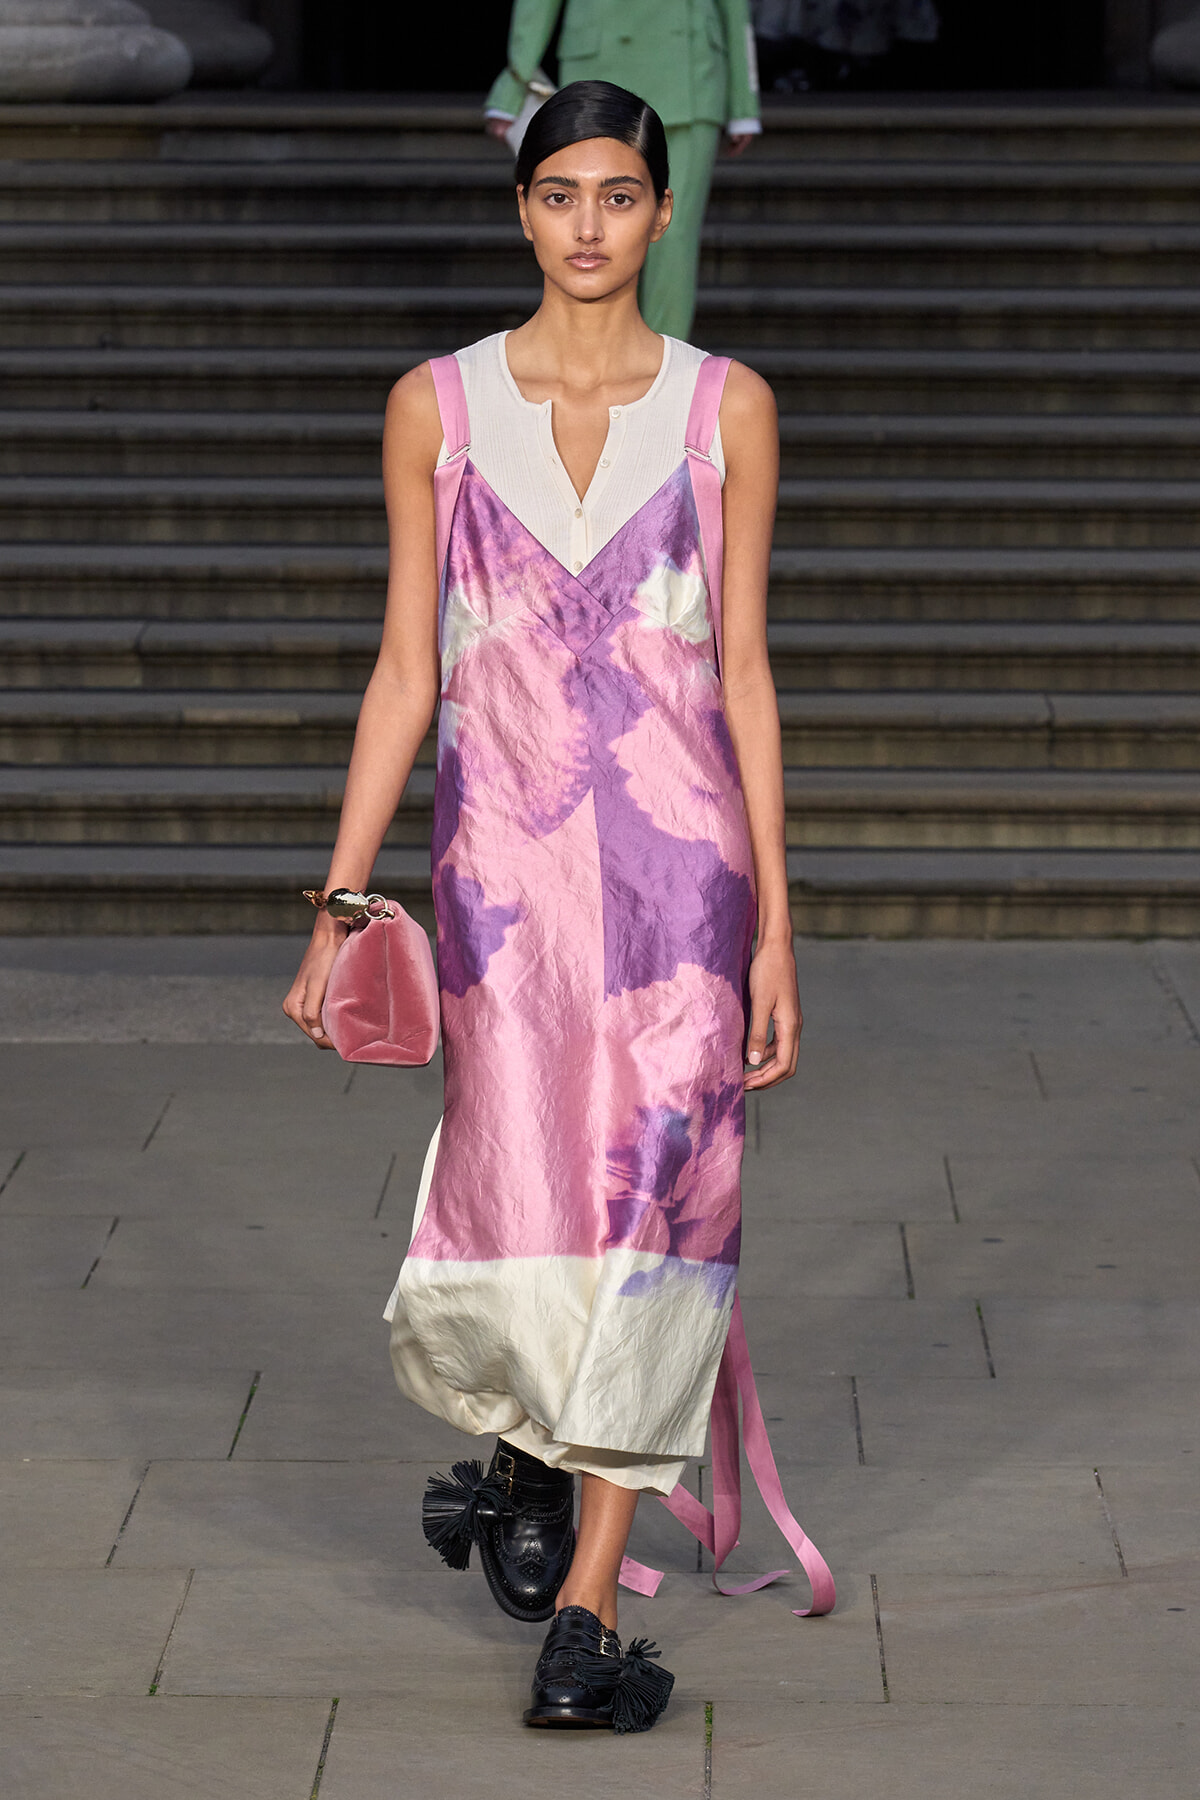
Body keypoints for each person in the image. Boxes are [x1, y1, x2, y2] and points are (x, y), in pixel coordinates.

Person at [283, 79, 809, 1735]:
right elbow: (404, 666)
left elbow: (743, 672)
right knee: (513, 1196)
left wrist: (777, 926)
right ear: (522, 210)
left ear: (665, 210)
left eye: (618, 194)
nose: (589, 223)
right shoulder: (434, 409)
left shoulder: (727, 408)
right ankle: (520, 1452)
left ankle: (581, 1611)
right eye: (561, 193)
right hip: (502, 889)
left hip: (683, 891)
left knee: (663, 1219)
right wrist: (341, 893)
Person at [484, 0, 761, 339]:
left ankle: (665, 364)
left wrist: (743, 100)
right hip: (600, 62)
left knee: (673, 235)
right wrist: (516, 79)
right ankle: (589, 359)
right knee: (583, 227)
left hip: (688, 69)